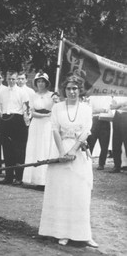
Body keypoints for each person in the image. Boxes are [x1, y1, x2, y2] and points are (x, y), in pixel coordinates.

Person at [39, 75, 97, 248]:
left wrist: (73, 150)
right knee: (61, 191)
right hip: (60, 149)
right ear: (64, 90)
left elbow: (86, 131)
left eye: (75, 89)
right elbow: (55, 130)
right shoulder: (57, 108)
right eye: (69, 88)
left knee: (80, 191)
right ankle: (61, 232)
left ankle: (83, 234)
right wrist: (62, 151)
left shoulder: (86, 108)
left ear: (80, 90)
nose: (72, 92)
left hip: (79, 152)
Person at [0, 70, 30, 185]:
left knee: (18, 151)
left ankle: (19, 177)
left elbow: (26, 110)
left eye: (13, 79)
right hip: (5, 120)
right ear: (6, 78)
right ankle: (8, 177)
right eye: (9, 79)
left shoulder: (22, 92)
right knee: (7, 149)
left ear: (16, 79)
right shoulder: (2, 92)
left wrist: (26, 124)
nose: (11, 81)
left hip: (18, 120)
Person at [22, 72, 55, 186]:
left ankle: (45, 180)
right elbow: (32, 112)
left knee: (45, 148)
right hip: (36, 124)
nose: (41, 84)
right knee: (35, 148)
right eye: (39, 81)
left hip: (48, 125)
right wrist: (45, 115)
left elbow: (55, 110)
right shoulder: (33, 96)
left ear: (46, 83)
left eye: (43, 81)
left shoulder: (52, 95)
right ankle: (35, 178)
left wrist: (56, 100)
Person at [86, 96, 112, 171]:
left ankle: (101, 164)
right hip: (94, 121)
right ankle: (87, 162)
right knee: (90, 143)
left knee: (104, 144)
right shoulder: (92, 97)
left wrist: (97, 110)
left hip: (105, 121)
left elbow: (107, 109)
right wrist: (101, 110)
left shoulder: (108, 97)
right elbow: (89, 110)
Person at [109, 97, 127, 173]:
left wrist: (118, 105)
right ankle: (117, 166)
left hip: (126, 116)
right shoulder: (117, 94)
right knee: (116, 142)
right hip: (117, 116)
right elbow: (112, 107)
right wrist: (122, 104)